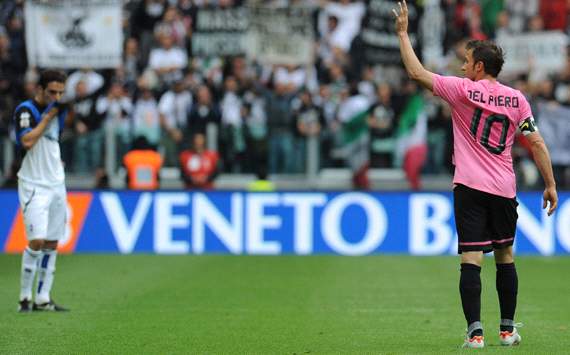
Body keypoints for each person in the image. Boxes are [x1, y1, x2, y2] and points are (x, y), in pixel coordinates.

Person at [393, 1, 558, 348]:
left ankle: (475, 333)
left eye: (467, 62)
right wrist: (551, 184)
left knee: (471, 259)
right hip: (503, 188)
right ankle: (507, 330)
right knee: (505, 258)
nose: (463, 66)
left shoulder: (462, 90)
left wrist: (404, 34)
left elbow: (417, 73)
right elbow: (537, 142)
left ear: (479, 66)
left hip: (469, 186)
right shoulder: (518, 100)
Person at [13, 70, 71, 312]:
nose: (57, 97)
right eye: (52, 92)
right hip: (34, 183)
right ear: (40, 90)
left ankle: (43, 298)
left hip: (56, 183)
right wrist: (47, 118)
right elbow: (26, 142)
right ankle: (25, 296)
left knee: (52, 242)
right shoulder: (26, 111)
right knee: (36, 240)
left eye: (60, 92)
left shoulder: (61, 110)